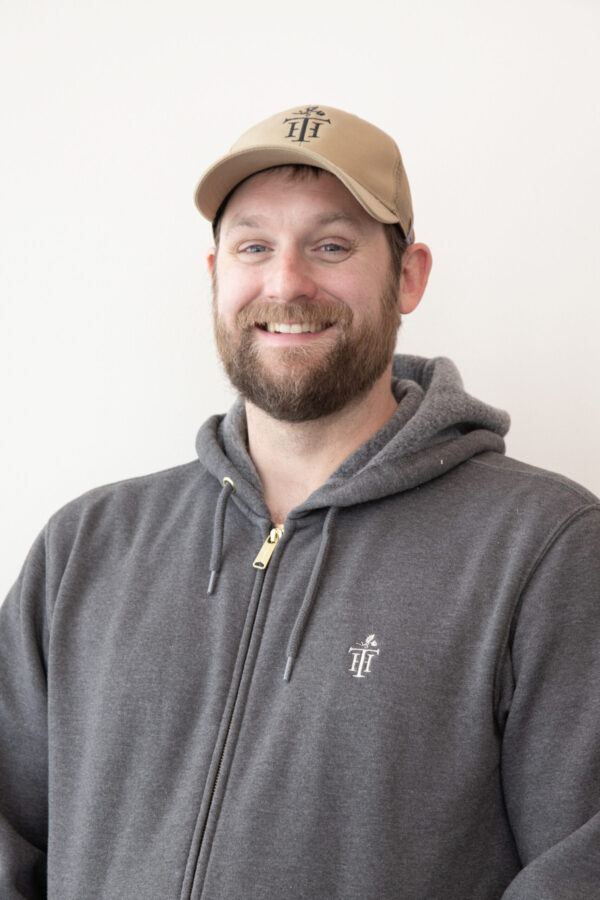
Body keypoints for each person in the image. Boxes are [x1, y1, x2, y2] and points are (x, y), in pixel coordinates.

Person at [1, 104, 599, 900]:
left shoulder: (545, 546)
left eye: (331, 245)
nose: (286, 282)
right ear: (216, 277)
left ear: (408, 275)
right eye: (254, 246)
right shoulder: (87, 546)